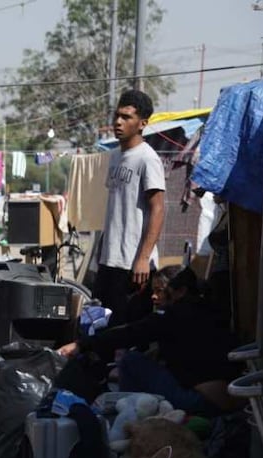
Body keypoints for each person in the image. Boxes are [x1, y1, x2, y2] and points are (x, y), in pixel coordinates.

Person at [58, 267, 241, 415]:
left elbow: (130, 333)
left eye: (164, 292)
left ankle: (133, 415)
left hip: (198, 400)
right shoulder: (214, 313)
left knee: (131, 361)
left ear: (182, 291)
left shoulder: (176, 315)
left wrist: (81, 344)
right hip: (229, 399)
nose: (157, 297)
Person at [93, 89, 166, 327]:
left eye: (126, 117)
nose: (118, 122)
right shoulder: (114, 156)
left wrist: (143, 258)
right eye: (117, 116)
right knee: (102, 328)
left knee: (127, 331)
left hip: (133, 264)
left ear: (142, 123)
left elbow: (157, 209)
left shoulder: (147, 158)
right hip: (110, 260)